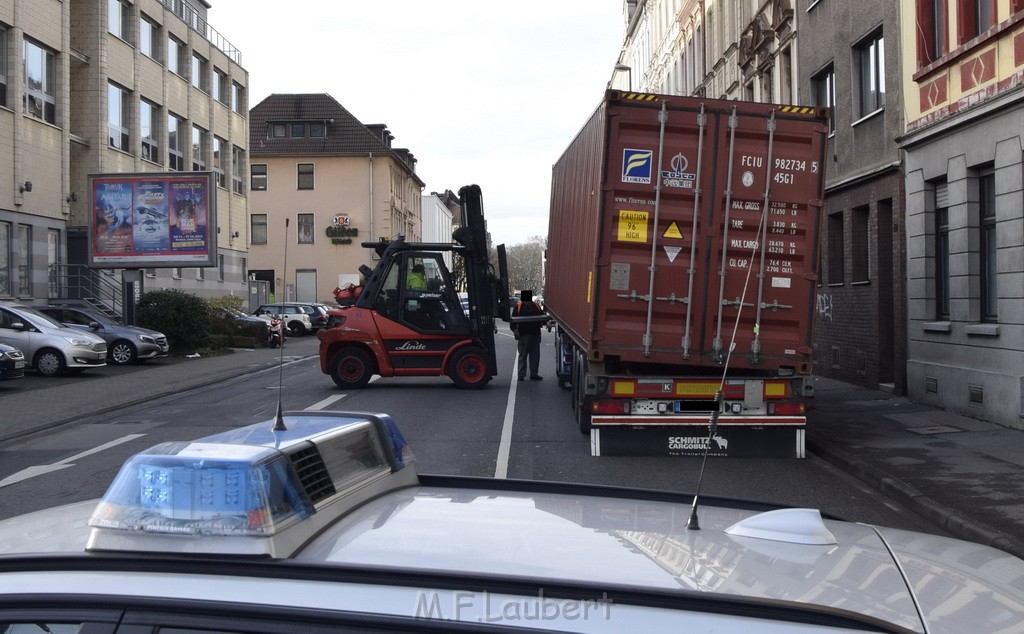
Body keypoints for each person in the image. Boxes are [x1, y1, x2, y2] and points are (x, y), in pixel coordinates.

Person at [511, 289, 544, 381]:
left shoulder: (536, 306)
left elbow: (543, 317)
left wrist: (547, 322)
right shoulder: (518, 307)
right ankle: (521, 374)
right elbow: (512, 321)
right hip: (523, 335)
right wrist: (515, 330)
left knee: (535, 355)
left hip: (535, 334)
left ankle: (534, 373)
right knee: (523, 355)